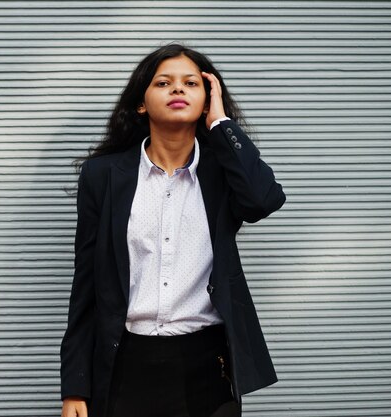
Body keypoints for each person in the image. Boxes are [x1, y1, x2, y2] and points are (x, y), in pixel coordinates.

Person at [60, 43, 286, 417]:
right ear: (141, 103)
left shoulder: (223, 173)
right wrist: (74, 387)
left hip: (206, 367)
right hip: (124, 365)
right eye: (164, 82)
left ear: (207, 98)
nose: (178, 89)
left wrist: (221, 123)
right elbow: (86, 286)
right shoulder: (103, 177)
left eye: (192, 83)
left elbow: (263, 200)